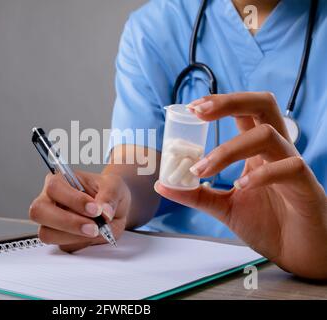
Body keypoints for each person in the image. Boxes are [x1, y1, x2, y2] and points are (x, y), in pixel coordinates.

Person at [29, 0, 327, 280]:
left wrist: (319, 248)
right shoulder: (157, 27)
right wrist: (109, 200)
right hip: (175, 272)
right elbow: (139, 166)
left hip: (298, 276)